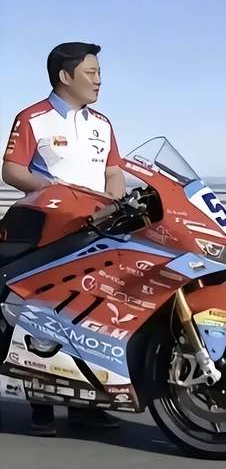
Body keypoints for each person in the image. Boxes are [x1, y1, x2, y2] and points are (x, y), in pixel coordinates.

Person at [2, 42, 125, 436]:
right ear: (65, 76)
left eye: (99, 71)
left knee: (94, 316)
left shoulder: (102, 123)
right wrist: (52, 190)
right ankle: (41, 403)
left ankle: (86, 405)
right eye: (91, 72)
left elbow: (114, 171)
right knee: (44, 315)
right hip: (47, 231)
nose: (99, 79)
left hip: (96, 231)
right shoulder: (33, 118)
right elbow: (12, 169)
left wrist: (114, 200)